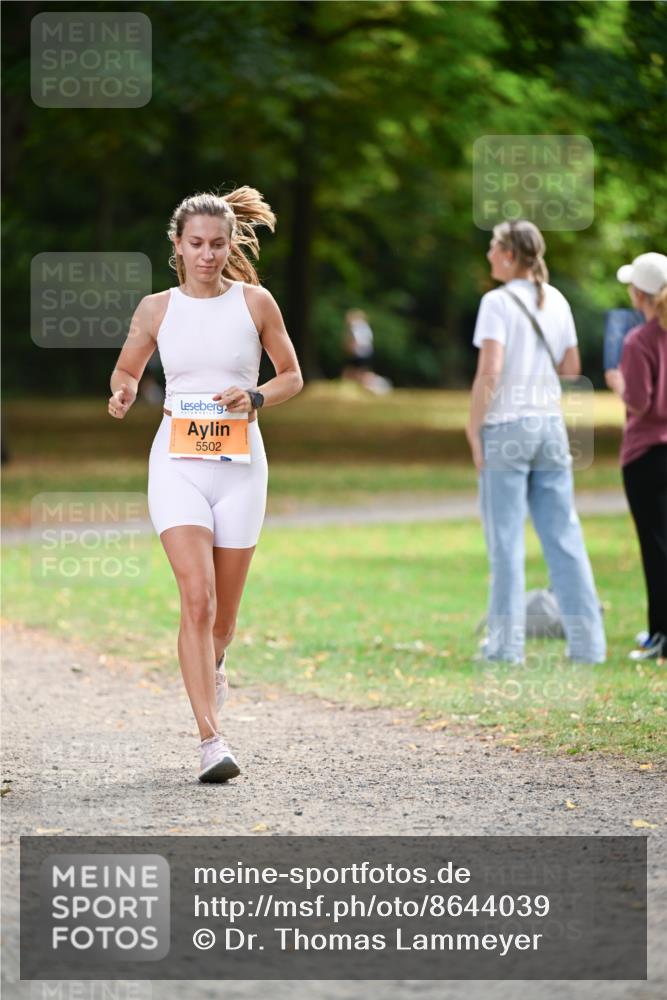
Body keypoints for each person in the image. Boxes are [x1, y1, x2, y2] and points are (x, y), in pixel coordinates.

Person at [107, 188, 303, 782]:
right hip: (177, 464)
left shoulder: (256, 303)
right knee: (197, 597)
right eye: (196, 244)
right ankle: (210, 741)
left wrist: (257, 396)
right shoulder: (156, 309)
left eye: (218, 244)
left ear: (230, 244)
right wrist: (122, 391)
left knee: (222, 621)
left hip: (241, 468)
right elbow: (126, 369)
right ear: (178, 245)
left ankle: (212, 664)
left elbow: (292, 376)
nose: (207, 255)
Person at [467, 219, 606, 663]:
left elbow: (490, 370)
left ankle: (506, 648)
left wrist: (473, 427)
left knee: (506, 541)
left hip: (507, 426)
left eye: (494, 247)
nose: (489, 254)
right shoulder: (557, 299)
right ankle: (589, 646)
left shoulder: (496, 302)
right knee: (564, 536)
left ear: (510, 255)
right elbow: (571, 369)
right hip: (550, 427)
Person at [607, 252, 667, 660]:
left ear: (640, 294)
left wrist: (617, 384)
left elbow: (641, 402)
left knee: (655, 546)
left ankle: (661, 634)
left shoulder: (638, 341)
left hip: (646, 455)